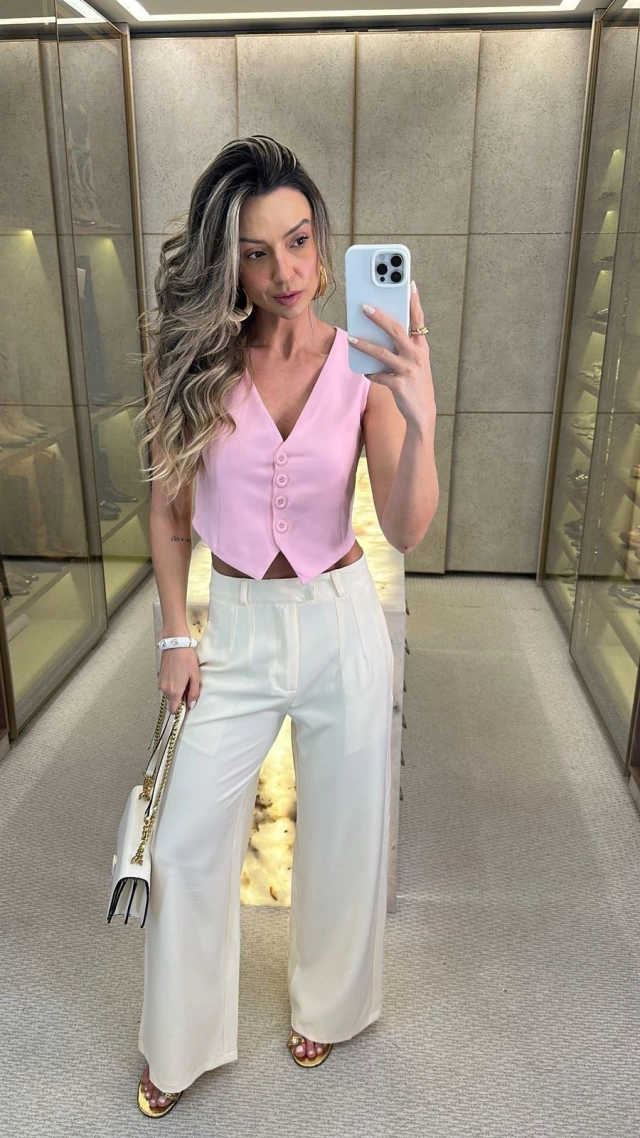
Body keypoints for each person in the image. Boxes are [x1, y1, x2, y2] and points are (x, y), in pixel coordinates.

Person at [131, 135, 436, 1118]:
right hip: (236, 629)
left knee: (346, 834)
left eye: (299, 242)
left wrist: (420, 416)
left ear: (322, 242)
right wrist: (175, 635)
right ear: (230, 263)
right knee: (183, 843)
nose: (285, 272)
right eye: (257, 253)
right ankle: (180, 1040)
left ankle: (331, 1004)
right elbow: (169, 511)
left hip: (340, 621)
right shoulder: (195, 367)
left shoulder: (362, 364)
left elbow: (406, 526)